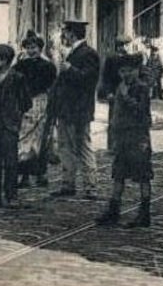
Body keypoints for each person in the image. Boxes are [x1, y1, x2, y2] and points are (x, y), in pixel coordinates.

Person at [95, 56, 153, 228]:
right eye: (123, 71)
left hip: (137, 137)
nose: (126, 74)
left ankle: (144, 213)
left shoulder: (141, 88)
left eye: (129, 70)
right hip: (122, 137)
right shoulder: (120, 86)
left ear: (137, 70)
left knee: (143, 175)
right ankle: (114, 210)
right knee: (118, 174)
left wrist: (126, 97)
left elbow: (141, 110)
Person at [50, 19, 100, 198]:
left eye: (66, 33)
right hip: (66, 110)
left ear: (73, 34)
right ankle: (68, 184)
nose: (63, 36)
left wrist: (70, 69)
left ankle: (90, 186)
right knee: (65, 147)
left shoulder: (88, 53)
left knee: (83, 147)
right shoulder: (71, 52)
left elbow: (89, 80)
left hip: (79, 111)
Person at [0, 44, 32, 208]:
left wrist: (15, 115)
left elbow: (26, 102)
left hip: (10, 125)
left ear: (4, 60)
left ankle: (11, 196)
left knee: (11, 161)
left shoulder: (18, 78)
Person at [15, 31, 57, 189]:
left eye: (34, 47)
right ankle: (24, 176)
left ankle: (41, 174)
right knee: (24, 141)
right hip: (24, 105)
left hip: (41, 104)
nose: (31, 50)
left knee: (41, 140)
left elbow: (51, 87)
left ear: (40, 48)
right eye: (28, 47)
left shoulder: (48, 66)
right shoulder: (20, 66)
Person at [99, 34, 140, 151]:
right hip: (115, 92)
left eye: (128, 44)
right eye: (125, 45)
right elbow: (106, 77)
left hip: (128, 92)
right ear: (119, 46)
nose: (127, 47)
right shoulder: (111, 59)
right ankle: (112, 146)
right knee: (113, 120)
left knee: (127, 119)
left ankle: (126, 145)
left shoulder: (131, 58)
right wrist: (108, 92)